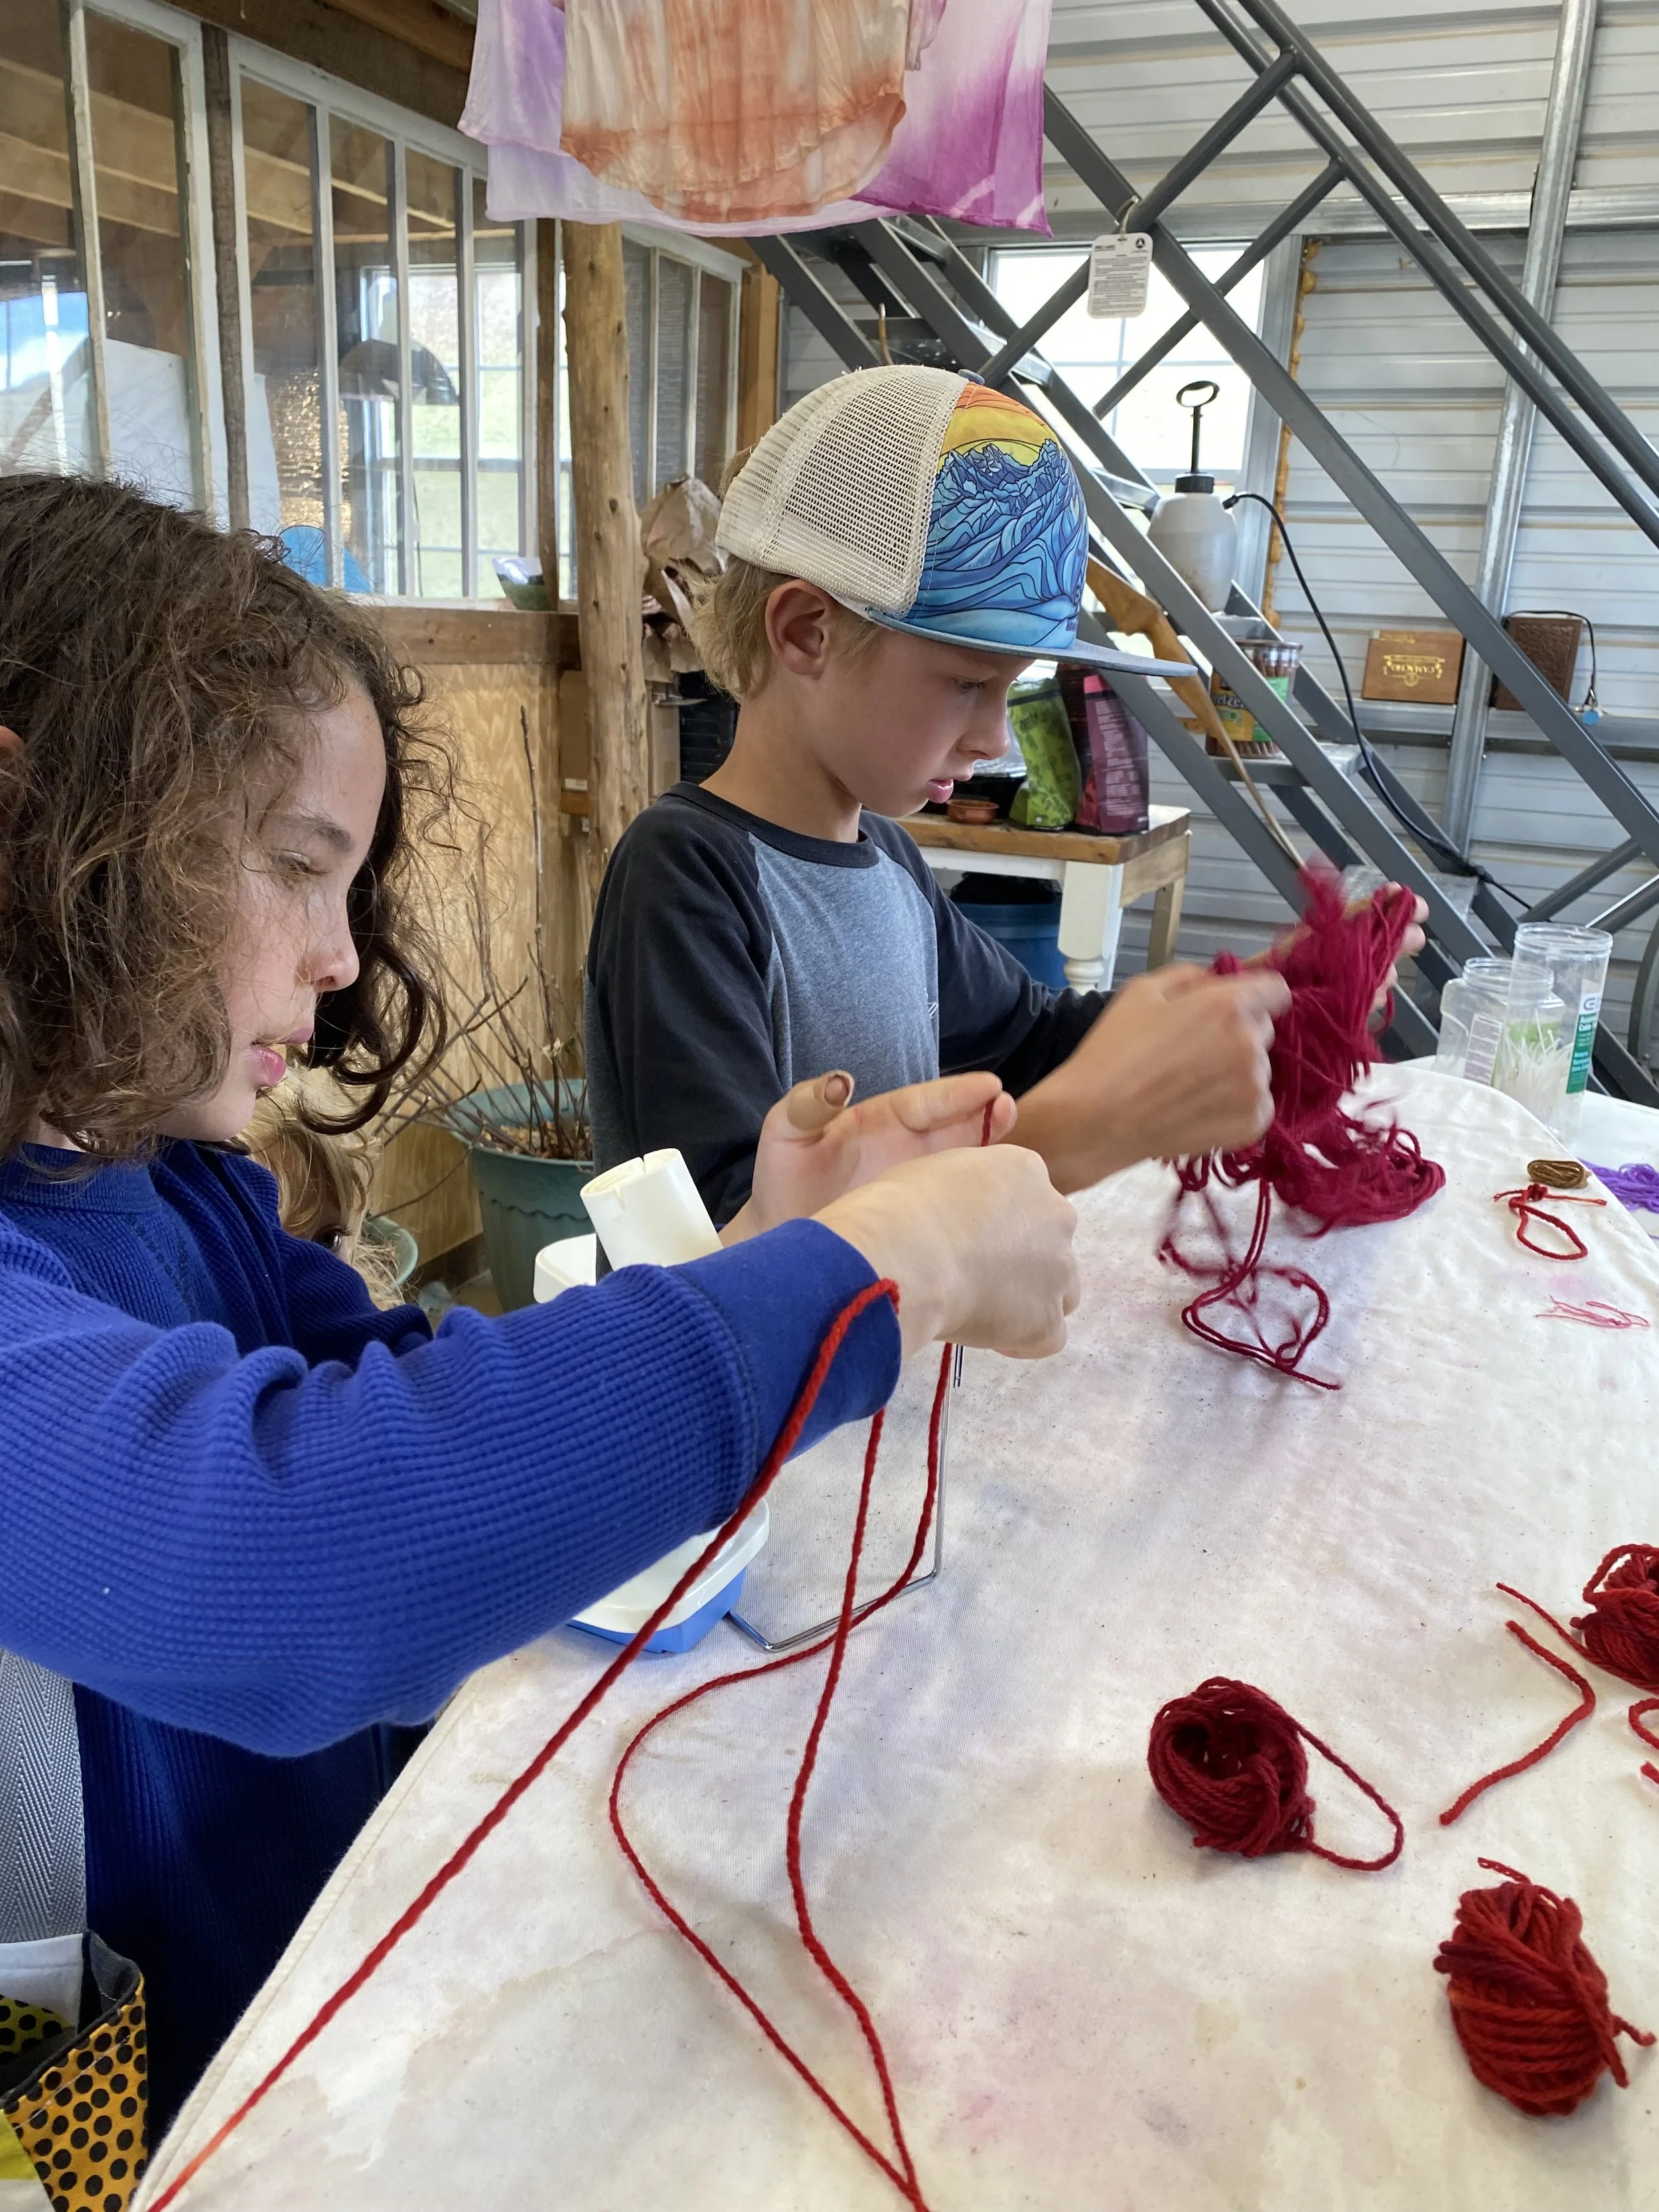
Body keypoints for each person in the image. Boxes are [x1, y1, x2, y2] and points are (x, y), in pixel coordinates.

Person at [0, 475, 1078, 2136]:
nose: (341, 956)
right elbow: (303, 1546)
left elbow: (426, 1421)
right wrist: (881, 1274)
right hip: (114, 2118)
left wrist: (757, 1251)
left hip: (293, 2034)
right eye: (293, 865)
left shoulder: (173, 1180)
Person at [585, 366, 1424, 1226]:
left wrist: (1261, 996)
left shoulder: (892, 866)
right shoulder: (685, 876)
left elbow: (1032, 1040)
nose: (998, 740)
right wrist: (1073, 1134)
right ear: (806, 633)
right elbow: (728, 1243)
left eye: (1010, 689)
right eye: (967, 684)